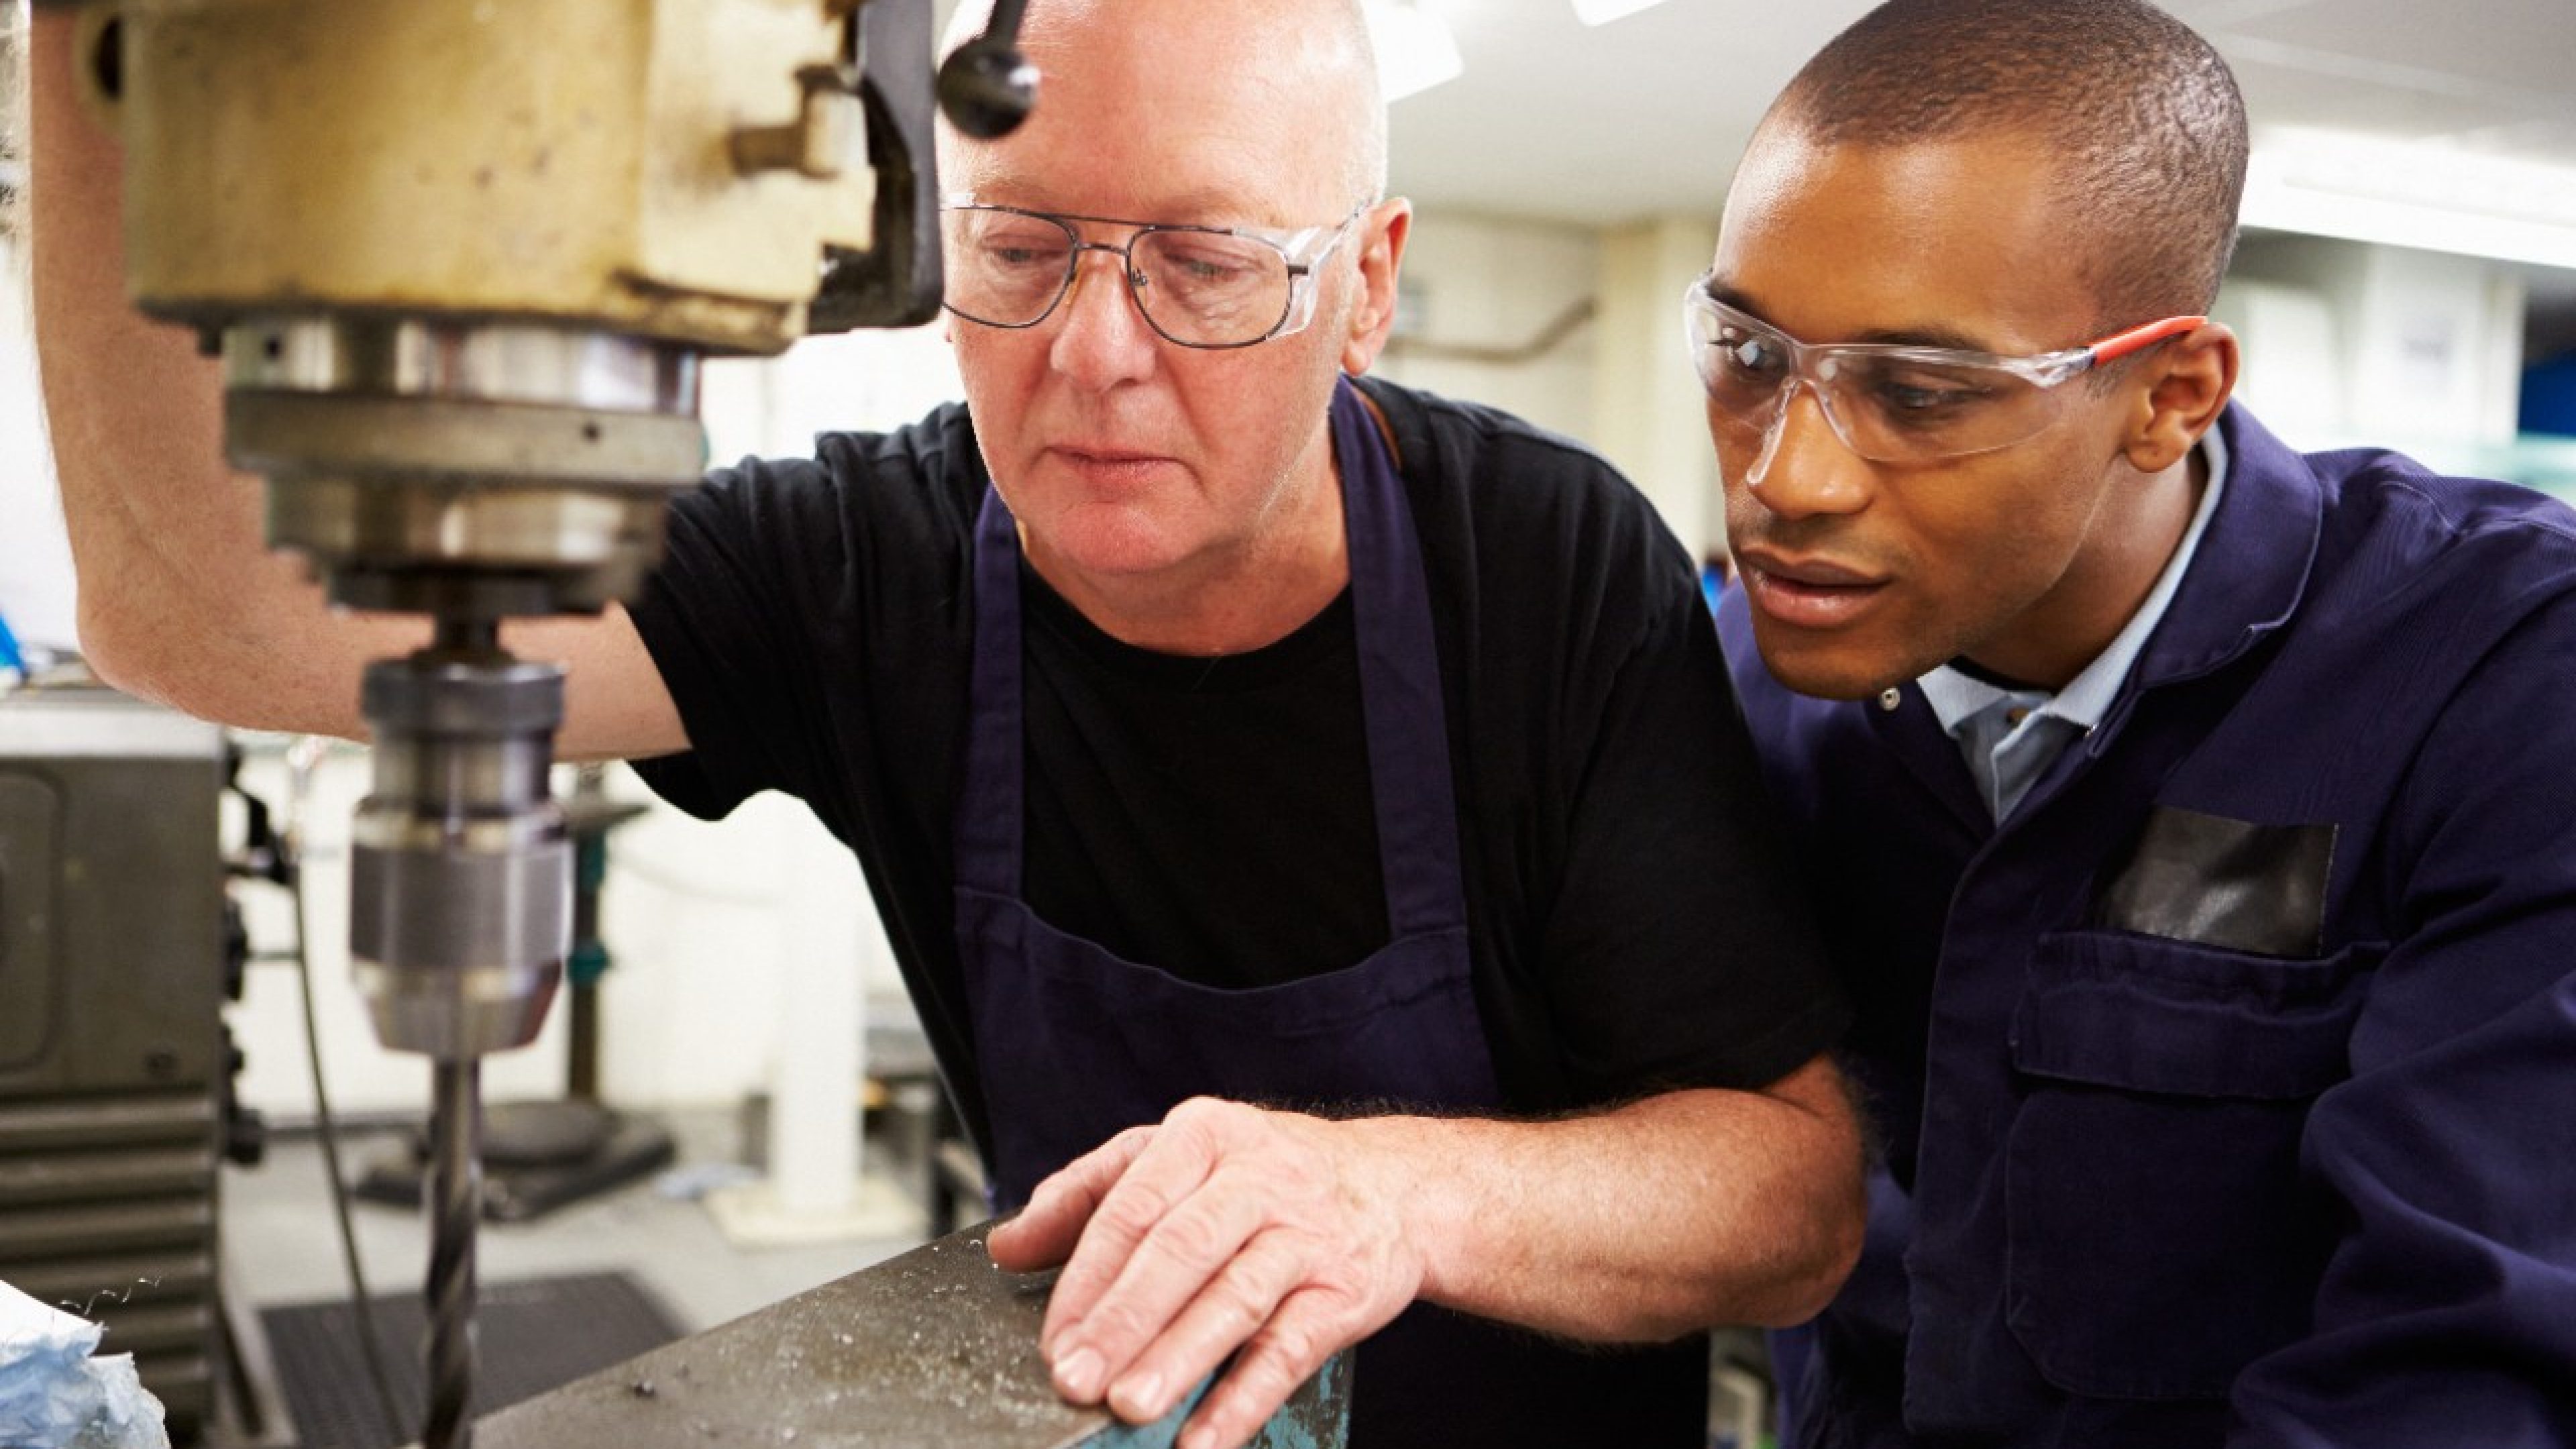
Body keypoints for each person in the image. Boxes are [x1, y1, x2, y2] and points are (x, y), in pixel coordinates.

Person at [30, 1, 1866, 1446]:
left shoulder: (1539, 566)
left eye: (1206, 263)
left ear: (1365, 284)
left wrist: (1389, 1189)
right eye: (1024, 248)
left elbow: (1790, 1203)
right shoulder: (869, 558)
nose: (1093, 351)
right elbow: (208, 622)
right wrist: (104, 48)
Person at [1697, 1, 2576, 1445]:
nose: (1787, 478)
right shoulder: (1759, 687)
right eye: (1747, 358)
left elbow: (2458, 1367)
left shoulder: (2498, 675)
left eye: (1917, 394)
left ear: (2168, 396)